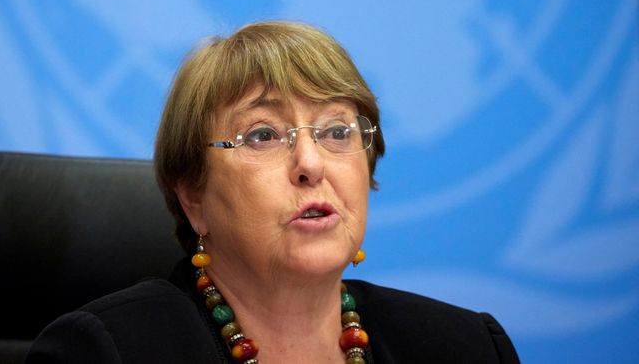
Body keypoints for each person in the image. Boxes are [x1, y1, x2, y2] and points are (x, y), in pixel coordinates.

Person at [27, 21, 520, 363]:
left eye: (336, 131)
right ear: (193, 197)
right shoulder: (104, 352)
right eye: (262, 135)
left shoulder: (466, 346)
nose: (311, 163)